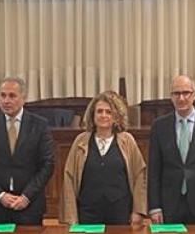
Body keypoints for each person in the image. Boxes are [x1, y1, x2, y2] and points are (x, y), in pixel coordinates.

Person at [0, 76, 55, 225]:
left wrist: (27, 196)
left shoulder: (39, 125)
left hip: (30, 205)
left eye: (12, 96)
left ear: (23, 98)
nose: (6, 100)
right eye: (3, 95)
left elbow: (47, 164)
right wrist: (0, 195)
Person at [147, 75, 195, 225]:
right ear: (171, 97)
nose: (181, 98)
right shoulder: (159, 126)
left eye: (186, 93)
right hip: (169, 203)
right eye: (176, 93)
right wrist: (154, 207)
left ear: (194, 95)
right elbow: (154, 170)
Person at [60, 91, 147, 226]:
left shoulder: (127, 141)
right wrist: (71, 216)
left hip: (120, 212)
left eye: (109, 112)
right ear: (93, 115)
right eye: (99, 111)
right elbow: (69, 178)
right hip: (88, 212)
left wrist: (138, 211)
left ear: (116, 116)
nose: (103, 115)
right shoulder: (80, 142)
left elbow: (139, 175)